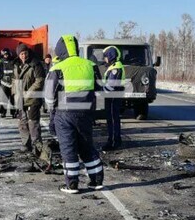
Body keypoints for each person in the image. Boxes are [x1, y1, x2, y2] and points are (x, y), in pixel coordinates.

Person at [44, 35, 104, 193]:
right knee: (86, 145)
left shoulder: (57, 68)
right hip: (85, 112)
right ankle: (96, 180)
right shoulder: (90, 65)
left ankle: (72, 184)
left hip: (65, 113)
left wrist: (52, 111)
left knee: (68, 148)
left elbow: (49, 96)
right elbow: (100, 90)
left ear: (60, 50)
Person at [13, 43, 45, 154]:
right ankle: (25, 144)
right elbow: (15, 81)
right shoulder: (17, 65)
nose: (23, 56)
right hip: (20, 99)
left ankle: (37, 146)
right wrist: (15, 94)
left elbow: (39, 80)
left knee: (33, 123)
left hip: (33, 99)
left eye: (25, 53)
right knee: (22, 122)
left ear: (28, 52)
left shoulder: (35, 64)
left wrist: (28, 93)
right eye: (21, 54)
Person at [101, 46, 124, 150]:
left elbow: (111, 85)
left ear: (110, 56)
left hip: (113, 97)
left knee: (113, 120)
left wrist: (100, 90)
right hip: (112, 96)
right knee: (112, 119)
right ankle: (114, 140)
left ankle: (114, 142)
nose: (104, 59)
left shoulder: (115, 68)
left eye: (105, 57)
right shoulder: (113, 67)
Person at [0, 48, 17, 119]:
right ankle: (3, 112)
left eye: (7, 54)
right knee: (3, 98)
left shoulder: (13, 61)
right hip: (4, 82)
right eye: (4, 54)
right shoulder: (1, 62)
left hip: (12, 83)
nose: (6, 56)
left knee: (13, 99)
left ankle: (14, 112)